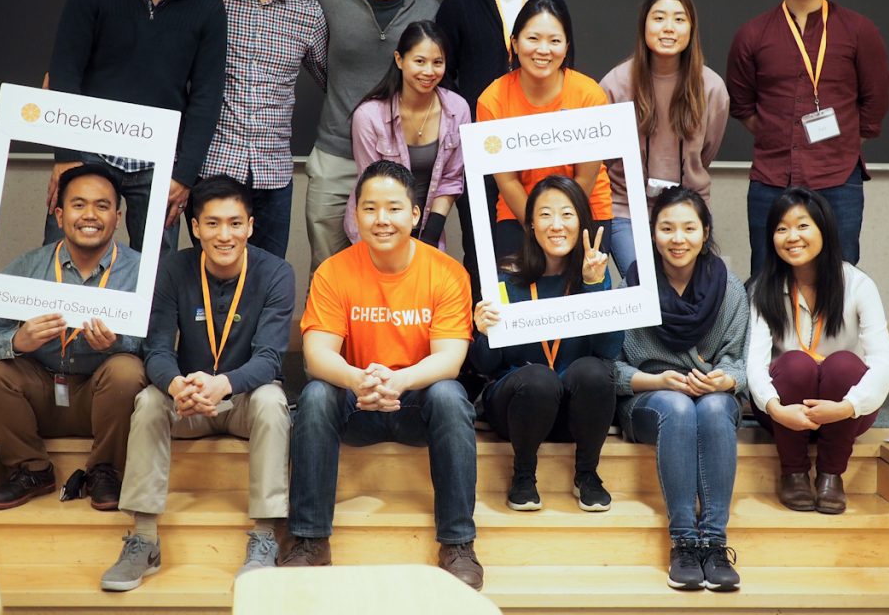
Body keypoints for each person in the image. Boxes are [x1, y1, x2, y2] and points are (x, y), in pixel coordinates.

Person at [283, 160, 483, 591]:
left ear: (415, 214)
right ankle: (309, 540)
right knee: (316, 394)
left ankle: (458, 544)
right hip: (359, 401)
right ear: (355, 214)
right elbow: (317, 355)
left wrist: (400, 380)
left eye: (393, 208)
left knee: (450, 393)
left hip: (415, 403)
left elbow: (450, 357)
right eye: (370, 208)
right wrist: (359, 381)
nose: (381, 219)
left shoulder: (446, 272)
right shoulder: (335, 271)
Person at [100, 175, 294, 590]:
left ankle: (263, 537)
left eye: (235, 223)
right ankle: (144, 540)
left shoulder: (276, 272)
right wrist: (174, 386)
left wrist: (222, 384)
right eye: (212, 223)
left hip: (243, 401)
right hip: (186, 402)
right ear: (195, 227)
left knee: (273, 402)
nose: (225, 235)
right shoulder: (173, 269)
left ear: (251, 226)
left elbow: (270, 358)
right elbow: (156, 349)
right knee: (149, 402)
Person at [45, 0, 228, 256]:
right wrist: (66, 156)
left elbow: (207, 97)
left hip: (159, 162)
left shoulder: (208, 7)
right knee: (64, 257)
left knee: (156, 275)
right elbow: (65, 72)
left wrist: (184, 176)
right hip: (89, 150)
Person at [0, 164, 145, 511]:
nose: (90, 215)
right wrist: (17, 340)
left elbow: (161, 348)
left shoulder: (139, 273)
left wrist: (117, 344)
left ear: (117, 217)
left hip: (102, 397)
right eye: (78, 205)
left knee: (127, 369)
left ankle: (105, 471)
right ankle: (31, 468)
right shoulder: (29, 268)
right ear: (59, 215)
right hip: (39, 392)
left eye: (102, 206)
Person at [727, 0, 889, 276]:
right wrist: (783, 134)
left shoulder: (859, 30)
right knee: (766, 275)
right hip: (772, 176)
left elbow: (874, 102)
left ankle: (834, 337)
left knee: (842, 276)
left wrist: (841, 138)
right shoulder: (751, 34)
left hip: (838, 177)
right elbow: (742, 105)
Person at [436, 0, 572, 294]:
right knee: (482, 248)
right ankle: (484, 348)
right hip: (480, 147)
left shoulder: (551, 2)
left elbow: (567, 71)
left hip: (541, 148)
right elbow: (442, 77)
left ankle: (542, 346)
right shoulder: (459, 2)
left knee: (543, 245)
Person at [615, 186, 748, 591]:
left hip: (712, 398)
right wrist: (657, 380)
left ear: (705, 232)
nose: (678, 238)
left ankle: (714, 541)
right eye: (667, 228)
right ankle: (684, 542)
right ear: (653, 233)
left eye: (689, 228)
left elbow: (740, 362)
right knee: (677, 406)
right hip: (649, 398)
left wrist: (726, 379)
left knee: (708, 407)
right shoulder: (633, 283)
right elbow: (610, 366)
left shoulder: (730, 287)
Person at [471, 176, 621, 513]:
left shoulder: (594, 275)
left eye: (567, 215)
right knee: (539, 377)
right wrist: (483, 332)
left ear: (582, 221)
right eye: (545, 215)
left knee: (594, 371)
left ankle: (587, 474)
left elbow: (610, 350)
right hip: (519, 408)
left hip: (574, 411)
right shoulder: (506, 280)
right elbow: (486, 367)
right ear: (530, 225)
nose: (557, 225)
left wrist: (595, 287)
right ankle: (523, 475)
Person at [305, 0, 438, 277]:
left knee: (390, 267)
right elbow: (314, 57)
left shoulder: (429, 10)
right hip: (337, 154)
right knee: (328, 265)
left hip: (398, 159)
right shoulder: (331, 1)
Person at [748, 187, 889, 516]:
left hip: (845, 411)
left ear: (824, 230)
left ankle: (831, 475)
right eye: (781, 228)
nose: (792, 237)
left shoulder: (858, 285)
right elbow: (754, 365)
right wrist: (775, 408)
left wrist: (848, 406)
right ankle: (794, 473)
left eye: (802, 226)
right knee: (796, 364)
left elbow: (885, 363)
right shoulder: (763, 288)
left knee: (844, 364)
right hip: (785, 412)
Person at [197, 0, 328, 257]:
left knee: (267, 279)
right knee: (209, 277)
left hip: (274, 174)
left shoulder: (308, 15)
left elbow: (335, 83)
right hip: (215, 166)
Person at [600, 0, 729, 277]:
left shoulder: (711, 87)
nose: (668, 28)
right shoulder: (615, 84)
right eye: (659, 18)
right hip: (627, 210)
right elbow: (602, 159)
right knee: (643, 284)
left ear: (691, 28)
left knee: (682, 294)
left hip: (688, 209)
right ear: (644, 25)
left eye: (679, 19)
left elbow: (708, 149)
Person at [477, 0, 613, 259]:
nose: (543, 50)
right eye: (533, 39)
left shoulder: (589, 95)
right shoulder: (491, 100)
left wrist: (560, 224)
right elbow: (507, 181)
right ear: (514, 43)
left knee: (584, 291)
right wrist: (540, 227)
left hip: (584, 208)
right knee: (516, 293)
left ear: (566, 46)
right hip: (519, 213)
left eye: (554, 41)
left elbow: (586, 177)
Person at [343, 21, 470, 249]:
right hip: (377, 231)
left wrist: (429, 239)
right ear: (400, 60)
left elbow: (451, 180)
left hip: (428, 232)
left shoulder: (458, 109)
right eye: (419, 61)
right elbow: (372, 186)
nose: (429, 72)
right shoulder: (369, 116)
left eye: (437, 62)